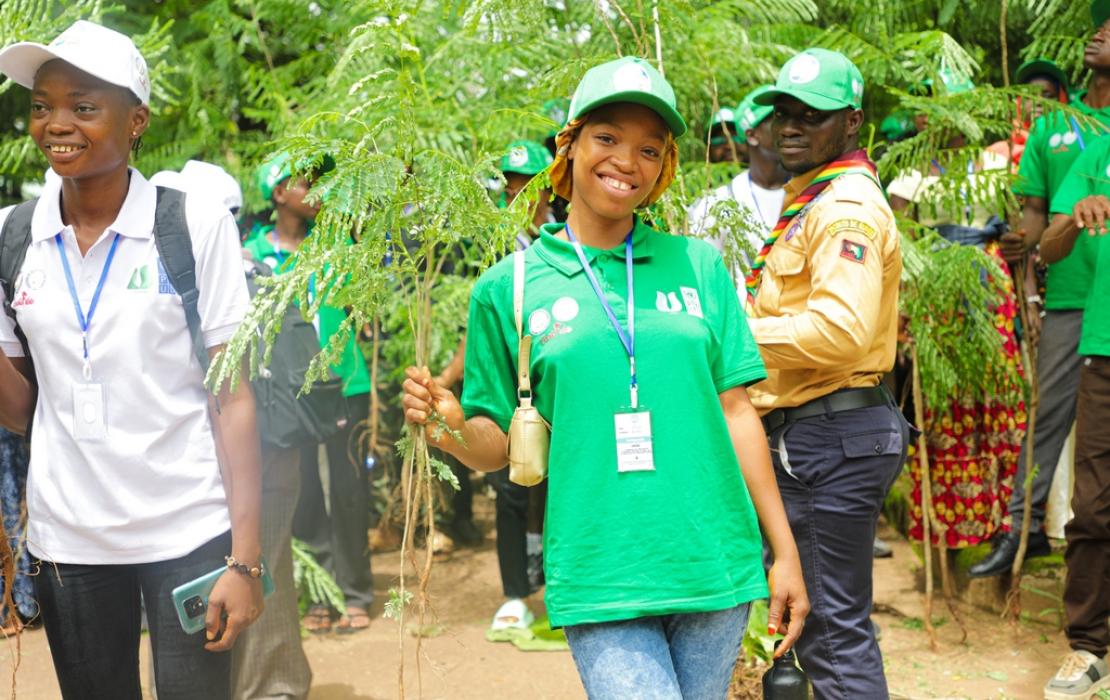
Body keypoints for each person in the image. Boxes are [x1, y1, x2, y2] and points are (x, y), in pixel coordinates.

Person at [402, 56, 808, 699]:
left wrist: (783, 551)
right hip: (600, 570)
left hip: (714, 563)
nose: (627, 160)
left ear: (664, 164)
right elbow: (498, 441)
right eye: (608, 138)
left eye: (650, 148)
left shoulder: (699, 265)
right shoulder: (507, 289)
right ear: (569, 147)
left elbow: (737, 414)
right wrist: (447, 426)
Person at [0, 20, 262, 699]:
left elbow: (232, 397)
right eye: (42, 105)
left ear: (136, 119)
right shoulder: (13, 235)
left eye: (83, 106)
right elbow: (21, 410)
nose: (57, 123)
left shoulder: (190, 224)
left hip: (190, 533)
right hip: (70, 544)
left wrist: (248, 561)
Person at [747, 48, 909, 699]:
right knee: (819, 633)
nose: (790, 126)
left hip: (827, 437)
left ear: (851, 124)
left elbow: (840, 332)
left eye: (810, 115)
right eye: (782, 111)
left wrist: (730, 337)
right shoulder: (812, 199)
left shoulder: (846, 210)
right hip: (821, 432)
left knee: (834, 639)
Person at [976, 0, 1110, 578]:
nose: (1098, 33)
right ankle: (1020, 528)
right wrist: (1018, 244)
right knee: (1048, 415)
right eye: (1098, 24)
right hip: (1071, 296)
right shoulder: (1057, 126)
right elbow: (1036, 218)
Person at [174, 160, 311, 699]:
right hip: (274, 456)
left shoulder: (215, 281)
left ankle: (261, 689)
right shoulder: (261, 274)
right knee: (266, 573)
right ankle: (275, 686)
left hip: (245, 461)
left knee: (241, 577)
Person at [887, 77, 1028, 551]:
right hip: (938, 287)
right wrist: (903, 310)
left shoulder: (997, 160)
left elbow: (1023, 216)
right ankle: (949, 527)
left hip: (989, 283)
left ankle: (1004, 520)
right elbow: (898, 237)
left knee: (999, 397)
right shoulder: (910, 169)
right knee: (946, 407)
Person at [245, 154, 375, 635]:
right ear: (278, 193)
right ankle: (319, 592)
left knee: (348, 489)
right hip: (286, 390)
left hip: (345, 383)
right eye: (306, 182)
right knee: (301, 492)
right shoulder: (252, 252)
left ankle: (356, 591)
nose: (319, 190)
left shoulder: (341, 244)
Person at [1035, 135, 1110, 700]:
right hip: (1103, 350)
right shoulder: (1100, 154)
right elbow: (1049, 246)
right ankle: (1089, 647)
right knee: (1093, 505)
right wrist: (1074, 219)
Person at [688, 85, 788, 274]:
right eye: (778, 118)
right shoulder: (715, 204)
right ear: (752, 135)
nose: (790, 127)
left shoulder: (814, 191)